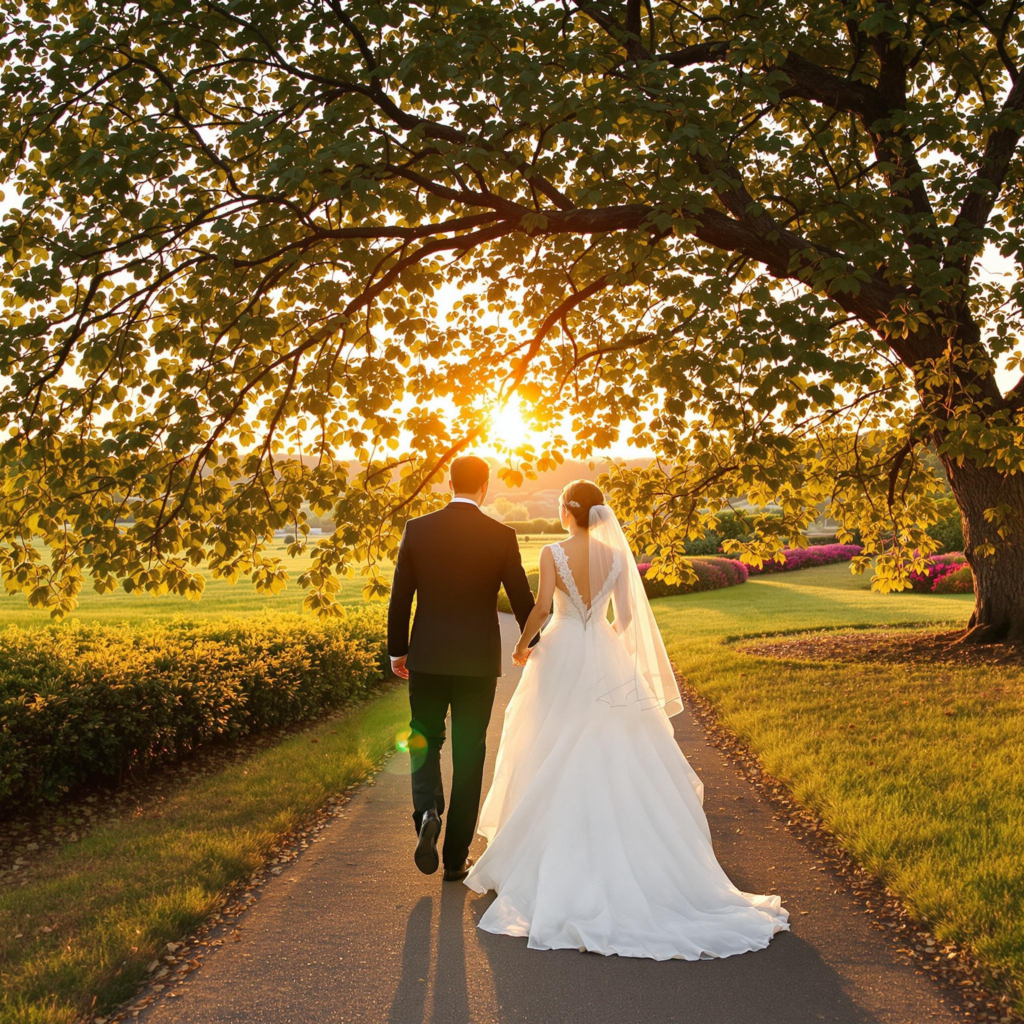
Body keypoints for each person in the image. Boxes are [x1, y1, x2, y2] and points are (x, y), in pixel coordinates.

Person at [464, 479, 790, 959]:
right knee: (611, 748)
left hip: (560, 653)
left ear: (567, 510)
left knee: (547, 742)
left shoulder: (553, 553)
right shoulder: (616, 556)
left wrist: (520, 647)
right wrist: (606, 639)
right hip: (603, 652)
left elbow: (538, 608)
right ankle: (630, 854)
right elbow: (629, 618)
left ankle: (542, 857)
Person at [387, 454, 535, 881]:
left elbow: (401, 597)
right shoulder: (501, 535)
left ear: (449, 484)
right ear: (485, 486)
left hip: (428, 658)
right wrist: (536, 643)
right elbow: (522, 598)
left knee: (424, 739)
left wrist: (398, 650)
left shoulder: (418, 529)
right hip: (476, 663)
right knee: (470, 754)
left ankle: (428, 812)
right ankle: (455, 859)